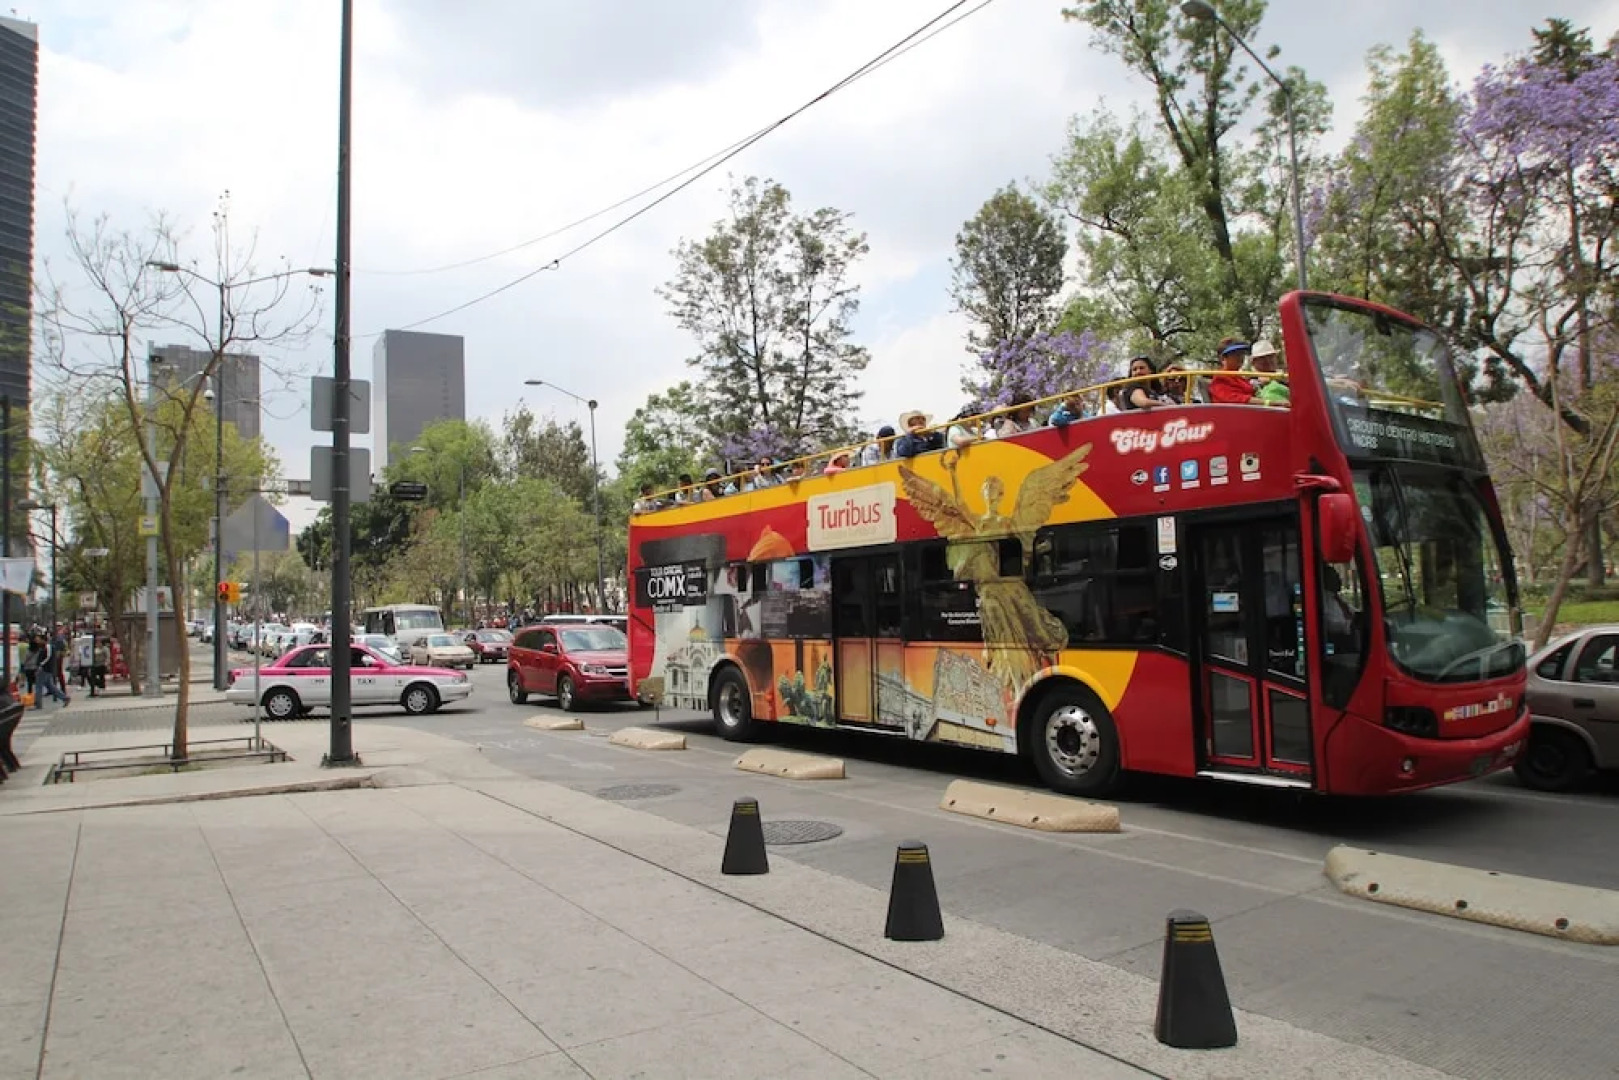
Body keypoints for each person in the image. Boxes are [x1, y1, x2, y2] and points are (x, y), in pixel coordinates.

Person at [1209, 338, 1258, 404]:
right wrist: (1267, 402)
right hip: (1233, 413)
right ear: (1223, 359)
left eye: (1242, 353)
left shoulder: (1240, 378)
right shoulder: (1220, 379)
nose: (1240, 357)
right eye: (1235, 354)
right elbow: (1235, 399)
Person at [1249, 340, 1290, 405]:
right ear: (1254, 362)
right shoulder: (1251, 381)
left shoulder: (1286, 376)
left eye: (1270, 356)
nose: (1268, 361)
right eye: (1262, 358)